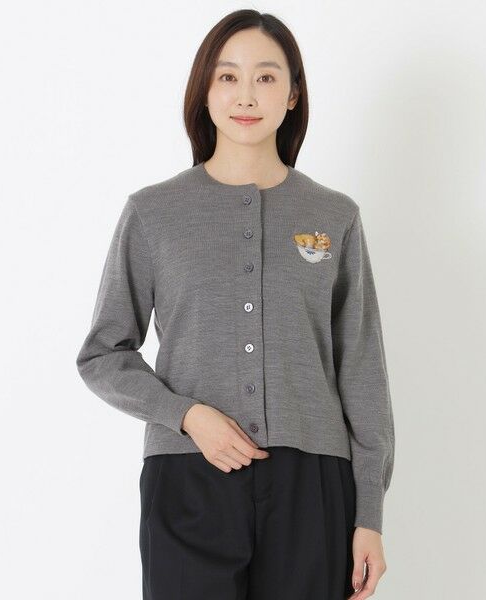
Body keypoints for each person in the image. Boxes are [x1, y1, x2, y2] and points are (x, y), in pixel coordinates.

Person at [76, 9, 395, 600]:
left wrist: (369, 515)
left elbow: (362, 373)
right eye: (228, 76)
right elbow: (102, 354)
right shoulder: (154, 212)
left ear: (293, 94)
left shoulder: (335, 216)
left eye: (266, 77)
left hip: (312, 483)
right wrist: (186, 415)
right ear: (205, 89)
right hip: (187, 474)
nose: (246, 95)